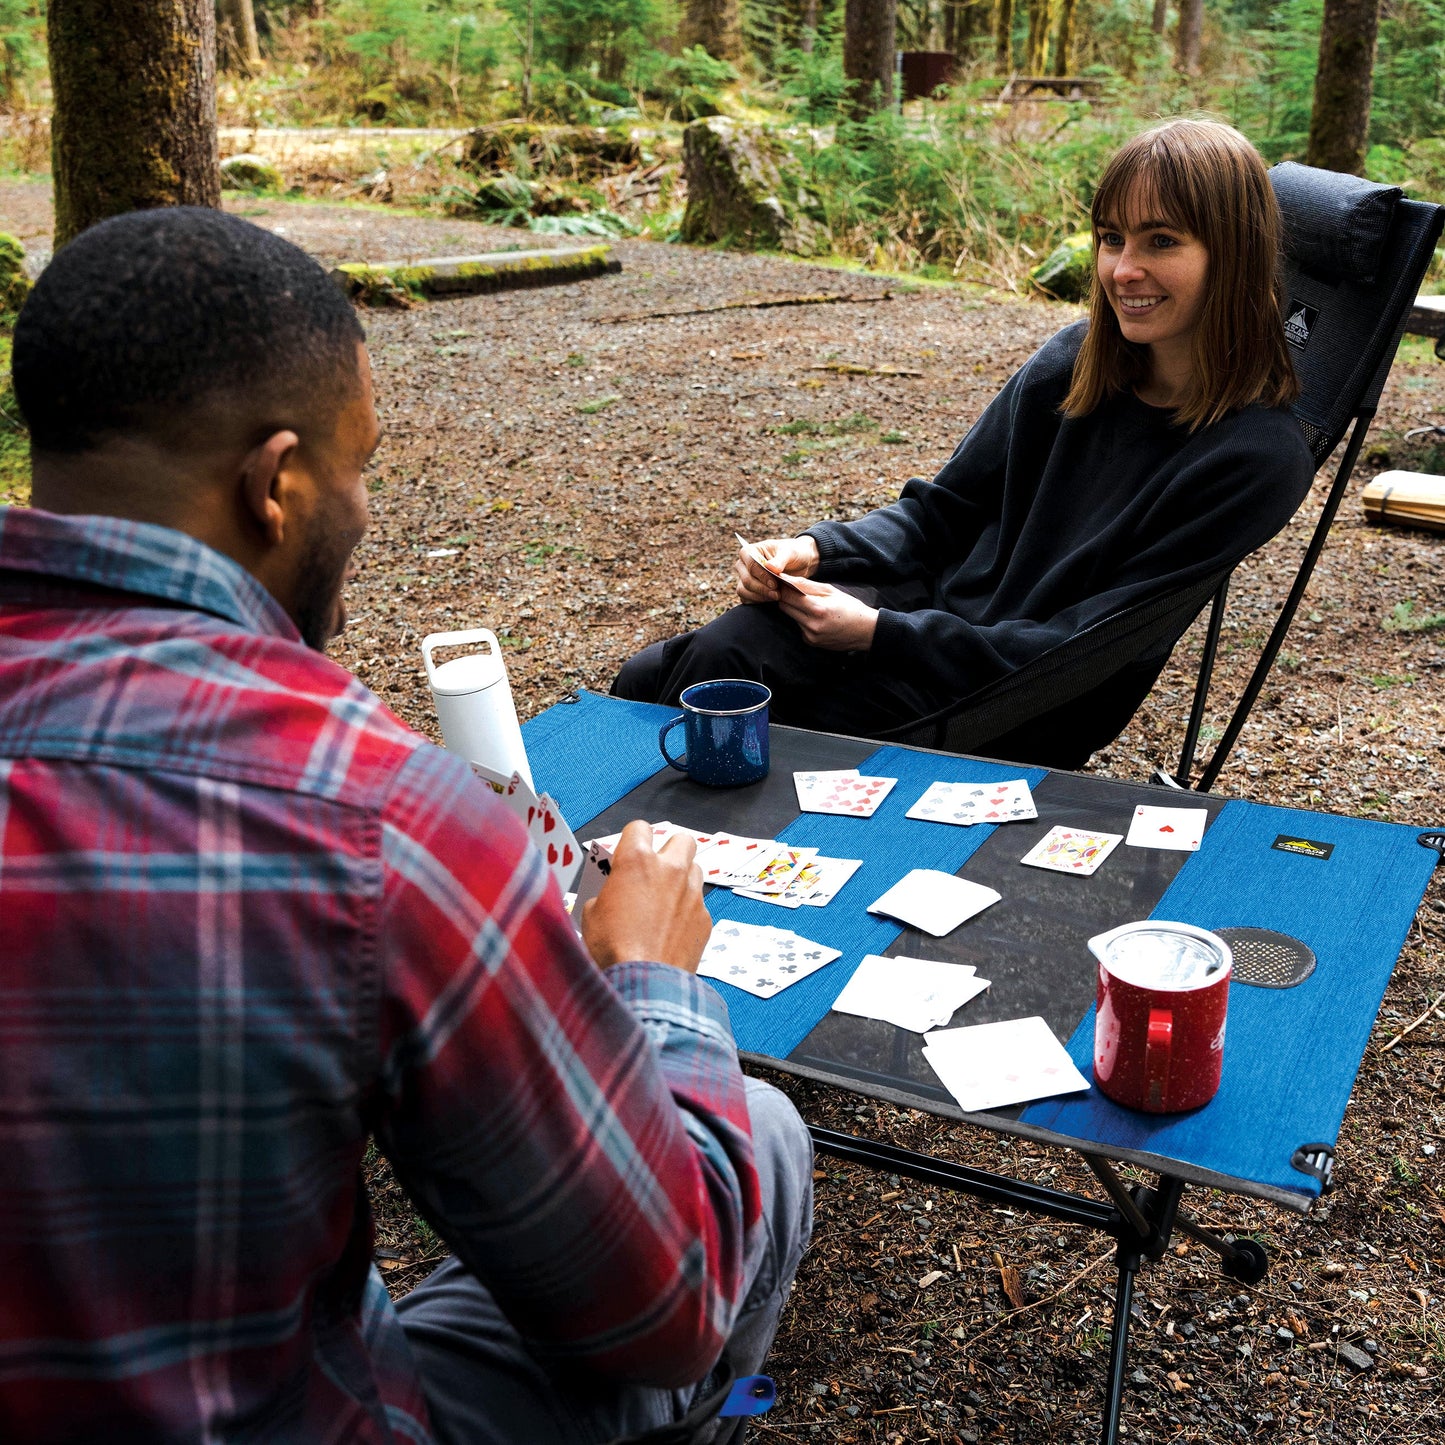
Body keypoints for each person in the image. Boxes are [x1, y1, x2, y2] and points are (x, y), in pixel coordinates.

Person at [0, 208, 812, 1445]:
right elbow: (659, 1301)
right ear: (272, 485)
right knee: (757, 1131)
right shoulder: (371, 818)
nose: (365, 508)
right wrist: (652, 983)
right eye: (359, 465)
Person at [613, 118, 1317, 767]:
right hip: (928, 609)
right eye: (1111, 238)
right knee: (698, 658)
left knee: (713, 708)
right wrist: (815, 550)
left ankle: (648, 865)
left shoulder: (1255, 457)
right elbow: (937, 514)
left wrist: (876, 632)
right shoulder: (1072, 364)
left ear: (1231, 254)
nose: (1121, 270)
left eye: (1160, 241)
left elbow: (1082, 648)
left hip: (1012, 693)